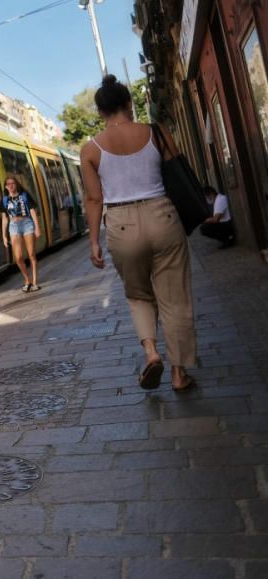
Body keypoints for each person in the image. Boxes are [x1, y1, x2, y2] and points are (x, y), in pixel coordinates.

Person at [80, 75, 196, 392]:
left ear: (100, 112)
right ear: (129, 104)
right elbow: (177, 172)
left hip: (120, 224)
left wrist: (93, 241)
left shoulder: (90, 150)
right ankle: (178, 374)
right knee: (175, 299)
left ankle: (151, 352)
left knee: (138, 294)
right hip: (163, 214)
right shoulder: (156, 133)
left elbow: (93, 199)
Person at [0, 175, 41, 292]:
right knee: (18, 257)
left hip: (27, 223)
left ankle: (35, 283)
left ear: (16, 184)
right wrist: (4, 236)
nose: (11, 186)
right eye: (8, 184)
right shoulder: (4, 200)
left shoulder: (25, 196)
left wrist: (37, 228)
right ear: (6, 187)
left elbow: (33, 212)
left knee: (31, 254)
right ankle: (27, 280)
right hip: (13, 226)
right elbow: (4, 218)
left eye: (13, 183)